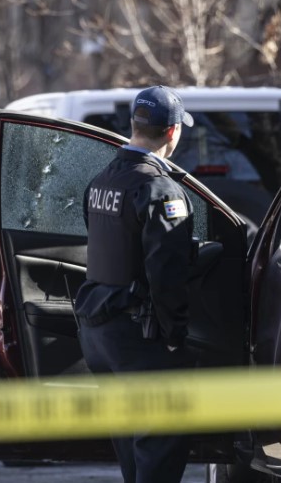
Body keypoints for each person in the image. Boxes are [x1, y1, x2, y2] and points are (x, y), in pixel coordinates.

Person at [74, 85, 197, 483]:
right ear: (173, 132)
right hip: (140, 342)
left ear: (134, 125)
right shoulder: (159, 190)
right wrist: (175, 335)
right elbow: (167, 272)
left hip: (100, 337)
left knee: (134, 456)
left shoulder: (102, 182)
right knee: (159, 450)